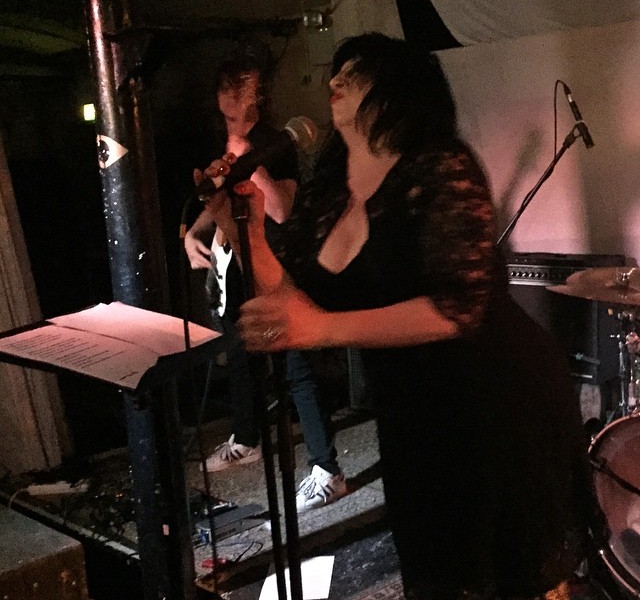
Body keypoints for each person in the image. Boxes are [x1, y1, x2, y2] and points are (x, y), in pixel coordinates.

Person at [201, 33, 593, 599]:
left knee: (505, 575)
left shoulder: (440, 166)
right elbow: (292, 302)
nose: (335, 81)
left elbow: (457, 308)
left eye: (355, 73)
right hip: (413, 409)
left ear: (398, 90)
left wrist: (323, 328)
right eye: (336, 72)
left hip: (494, 400)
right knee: (437, 572)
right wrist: (245, 228)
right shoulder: (329, 191)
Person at [184, 54, 347, 512]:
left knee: (297, 367)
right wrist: (193, 233)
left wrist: (247, 162)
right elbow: (218, 198)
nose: (237, 96)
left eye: (246, 87)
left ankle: (327, 470)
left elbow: (280, 209)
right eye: (230, 87)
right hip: (237, 261)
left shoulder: (275, 143)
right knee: (239, 350)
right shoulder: (221, 143)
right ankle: (247, 437)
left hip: (277, 264)